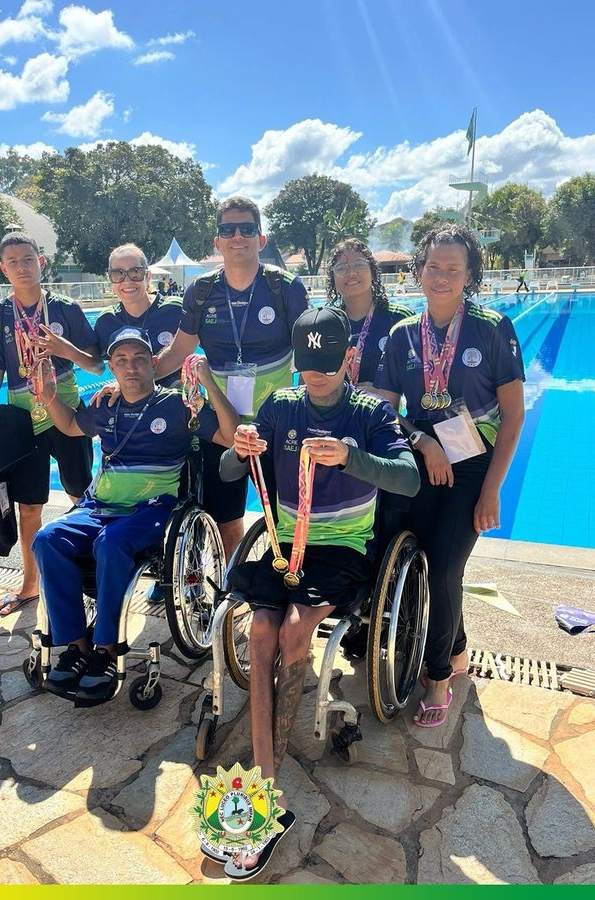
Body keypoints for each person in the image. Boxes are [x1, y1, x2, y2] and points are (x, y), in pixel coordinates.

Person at [218, 307, 420, 879]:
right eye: (308, 367)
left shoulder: (371, 412)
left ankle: (265, 798)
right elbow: (234, 475)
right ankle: (261, 787)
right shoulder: (281, 405)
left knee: (294, 627)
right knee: (259, 630)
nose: (317, 377)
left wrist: (351, 457)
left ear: (348, 358)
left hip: (342, 552)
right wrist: (242, 450)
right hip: (287, 547)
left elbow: (407, 478)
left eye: (327, 366)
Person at [31, 326, 239, 704]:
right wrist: (47, 397)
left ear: (154, 363)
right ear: (110, 366)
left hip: (153, 510)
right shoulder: (104, 406)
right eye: (122, 360)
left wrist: (208, 384)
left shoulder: (177, 406)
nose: (131, 367)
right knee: (46, 539)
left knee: (112, 544)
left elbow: (230, 435)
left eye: (140, 359)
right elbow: (68, 425)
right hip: (99, 508)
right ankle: (78, 647)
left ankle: (107, 650)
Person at [374, 224, 525, 726]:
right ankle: (454, 645)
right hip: (419, 461)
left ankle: (438, 675)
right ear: (419, 271)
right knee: (400, 552)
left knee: (443, 568)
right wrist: (423, 441)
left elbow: (514, 416)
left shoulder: (492, 328)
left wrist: (491, 491)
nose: (441, 277)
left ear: (469, 275)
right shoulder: (401, 336)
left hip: (472, 466)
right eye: (433, 267)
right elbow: (384, 410)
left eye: (452, 269)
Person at [153, 195, 310, 560]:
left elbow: (308, 358)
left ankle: (285, 581)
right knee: (226, 514)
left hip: (276, 421)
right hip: (223, 423)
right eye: (228, 229)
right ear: (217, 241)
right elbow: (178, 353)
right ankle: (234, 584)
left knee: (285, 513)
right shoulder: (202, 291)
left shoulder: (285, 287)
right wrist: (136, 381)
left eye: (246, 228)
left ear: (261, 238)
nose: (237, 236)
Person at [0, 232, 103, 617]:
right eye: (12, 261)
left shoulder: (67, 308)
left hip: (65, 411)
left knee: (80, 497)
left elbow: (97, 364)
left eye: (27, 259)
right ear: (3, 268)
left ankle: (92, 581)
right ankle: (29, 585)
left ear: (41, 262)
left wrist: (67, 351)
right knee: (28, 506)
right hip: (20, 418)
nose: (21, 266)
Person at [326, 238, 411, 388]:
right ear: (332, 278)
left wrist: (380, 392)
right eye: (341, 268)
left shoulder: (400, 319)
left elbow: (419, 377)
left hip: (386, 409)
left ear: (372, 271)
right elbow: (307, 384)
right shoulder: (326, 324)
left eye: (359, 264)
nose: (351, 272)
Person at [94, 243, 183, 387]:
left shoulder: (176, 310)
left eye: (135, 272)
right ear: (110, 279)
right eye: (118, 273)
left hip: (178, 400)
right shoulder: (107, 321)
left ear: (147, 276)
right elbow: (100, 366)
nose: (127, 281)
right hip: (133, 402)